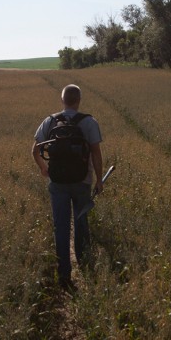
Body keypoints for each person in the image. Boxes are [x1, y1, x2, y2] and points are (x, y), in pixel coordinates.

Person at [32, 84, 103, 290]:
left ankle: (64, 274)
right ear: (78, 100)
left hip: (58, 183)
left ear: (62, 100)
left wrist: (44, 169)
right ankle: (85, 266)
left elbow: (35, 150)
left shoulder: (50, 121)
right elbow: (96, 154)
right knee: (81, 223)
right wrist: (99, 179)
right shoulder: (89, 122)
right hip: (82, 182)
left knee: (61, 226)